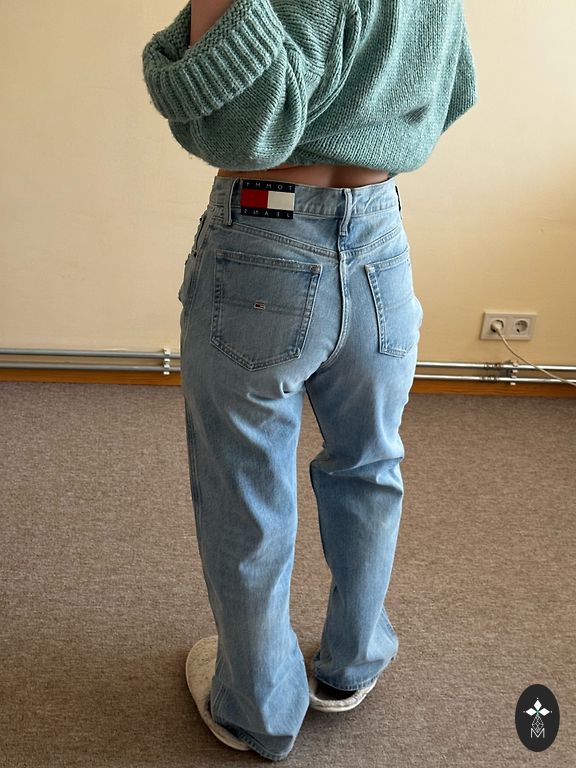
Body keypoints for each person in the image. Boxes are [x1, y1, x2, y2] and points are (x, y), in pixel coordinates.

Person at [142, 0, 477, 760]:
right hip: (381, 236)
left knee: (247, 483)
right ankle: (353, 660)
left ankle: (257, 709)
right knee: (370, 461)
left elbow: (233, 131)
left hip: (266, 239)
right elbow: (455, 88)